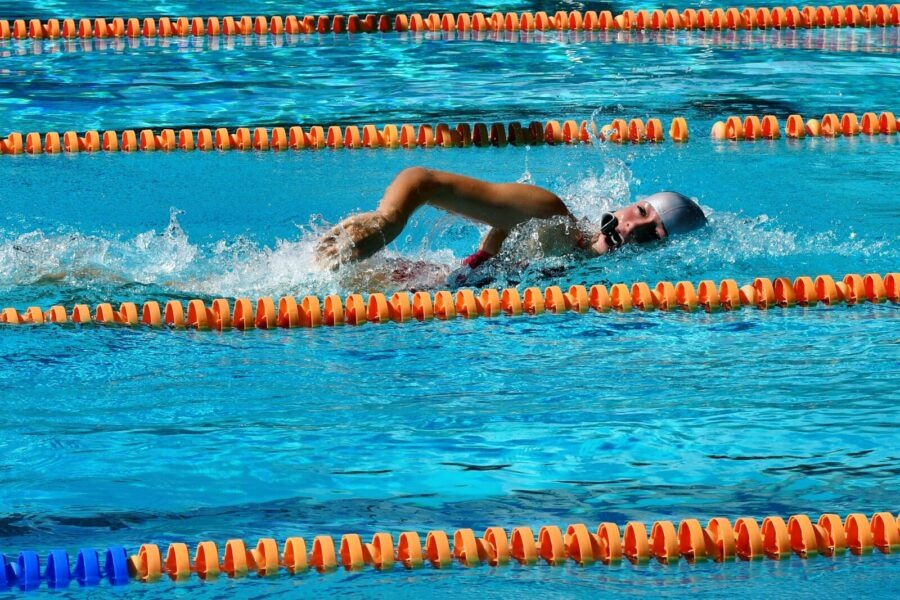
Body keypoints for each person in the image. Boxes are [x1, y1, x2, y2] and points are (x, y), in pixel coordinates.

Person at [316, 167, 707, 280]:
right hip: (396, 287)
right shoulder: (550, 218)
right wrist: (388, 221)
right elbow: (423, 182)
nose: (636, 228)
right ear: (623, 206)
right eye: (641, 212)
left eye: (656, 232)